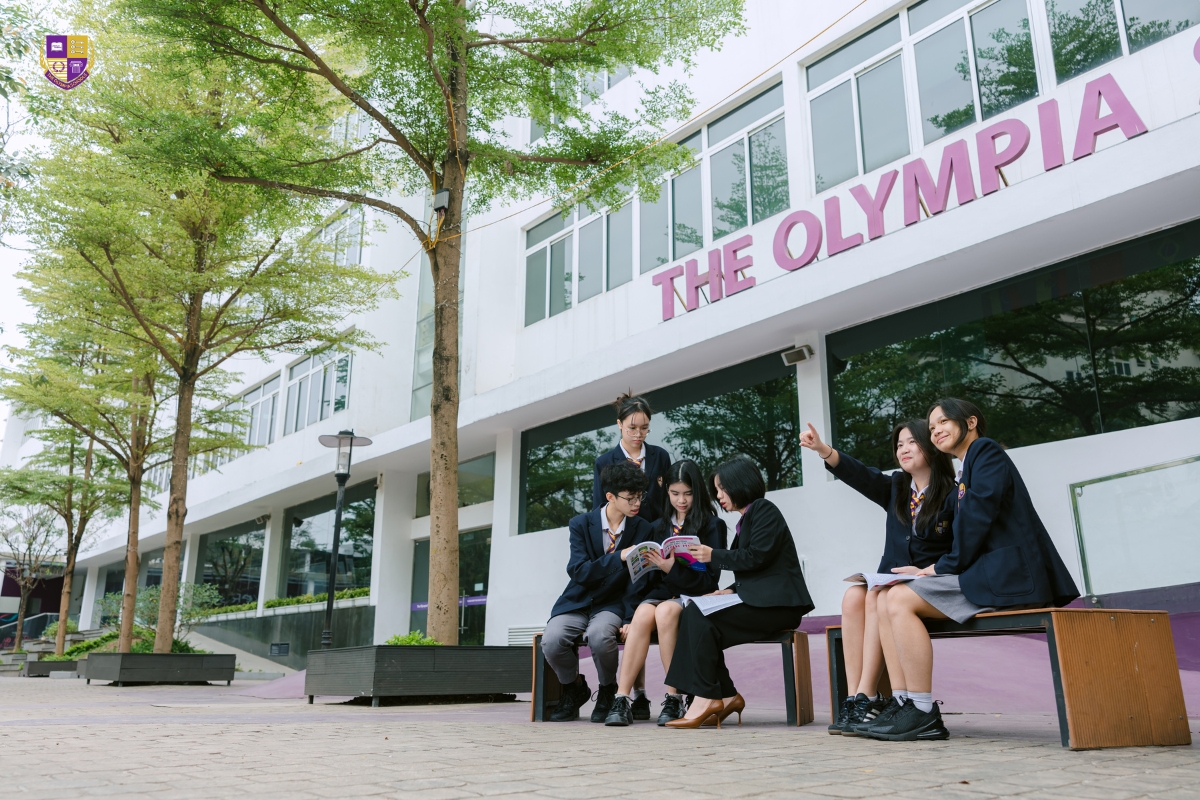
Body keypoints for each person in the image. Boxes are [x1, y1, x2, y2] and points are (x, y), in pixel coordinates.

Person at [864, 398, 1080, 742]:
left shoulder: (985, 451)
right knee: (889, 595)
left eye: (943, 422)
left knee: (900, 599)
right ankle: (904, 702)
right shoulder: (966, 467)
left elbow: (978, 519)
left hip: (1007, 577)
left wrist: (940, 567)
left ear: (971, 422)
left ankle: (920, 710)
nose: (936, 430)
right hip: (984, 573)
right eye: (931, 427)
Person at [800, 419, 956, 737]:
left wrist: (926, 570)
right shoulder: (897, 487)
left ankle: (867, 695)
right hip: (891, 581)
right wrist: (823, 449)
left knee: (875, 594)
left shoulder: (952, 494)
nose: (903, 449)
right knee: (853, 596)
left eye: (911, 442)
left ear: (931, 446)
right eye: (899, 444)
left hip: (926, 583)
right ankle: (856, 698)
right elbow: (861, 475)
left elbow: (962, 547)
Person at [662, 456, 814, 728]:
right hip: (762, 601)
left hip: (779, 606)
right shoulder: (747, 518)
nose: (719, 496)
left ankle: (707, 696)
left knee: (697, 615)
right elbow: (756, 568)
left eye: (722, 488)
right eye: (717, 490)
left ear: (739, 484)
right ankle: (726, 695)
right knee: (697, 616)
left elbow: (757, 556)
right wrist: (729, 590)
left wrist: (713, 555)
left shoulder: (764, 509)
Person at [604, 460, 728, 727]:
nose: (681, 500)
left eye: (688, 493)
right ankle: (622, 698)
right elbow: (642, 581)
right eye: (675, 493)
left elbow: (710, 581)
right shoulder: (657, 527)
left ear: (697, 492)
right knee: (643, 613)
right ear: (666, 491)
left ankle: (674, 697)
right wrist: (628, 616)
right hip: (662, 594)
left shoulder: (712, 525)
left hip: (695, 596)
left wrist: (671, 568)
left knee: (664, 611)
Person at [543, 461, 655, 722]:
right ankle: (573, 687)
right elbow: (579, 571)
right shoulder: (580, 524)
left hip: (613, 604)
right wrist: (619, 557)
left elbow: (639, 580)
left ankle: (607, 689)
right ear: (610, 496)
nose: (637, 503)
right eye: (630, 498)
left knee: (599, 636)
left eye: (640, 496)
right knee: (552, 640)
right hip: (578, 600)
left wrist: (630, 617)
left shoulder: (644, 528)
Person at [593, 393, 671, 524]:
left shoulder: (660, 456)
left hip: (660, 529)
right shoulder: (604, 463)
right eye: (632, 428)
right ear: (620, 424)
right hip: (626, 532)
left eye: (644, 428)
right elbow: (599, 507)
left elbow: (670, 496)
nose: (638, 434)